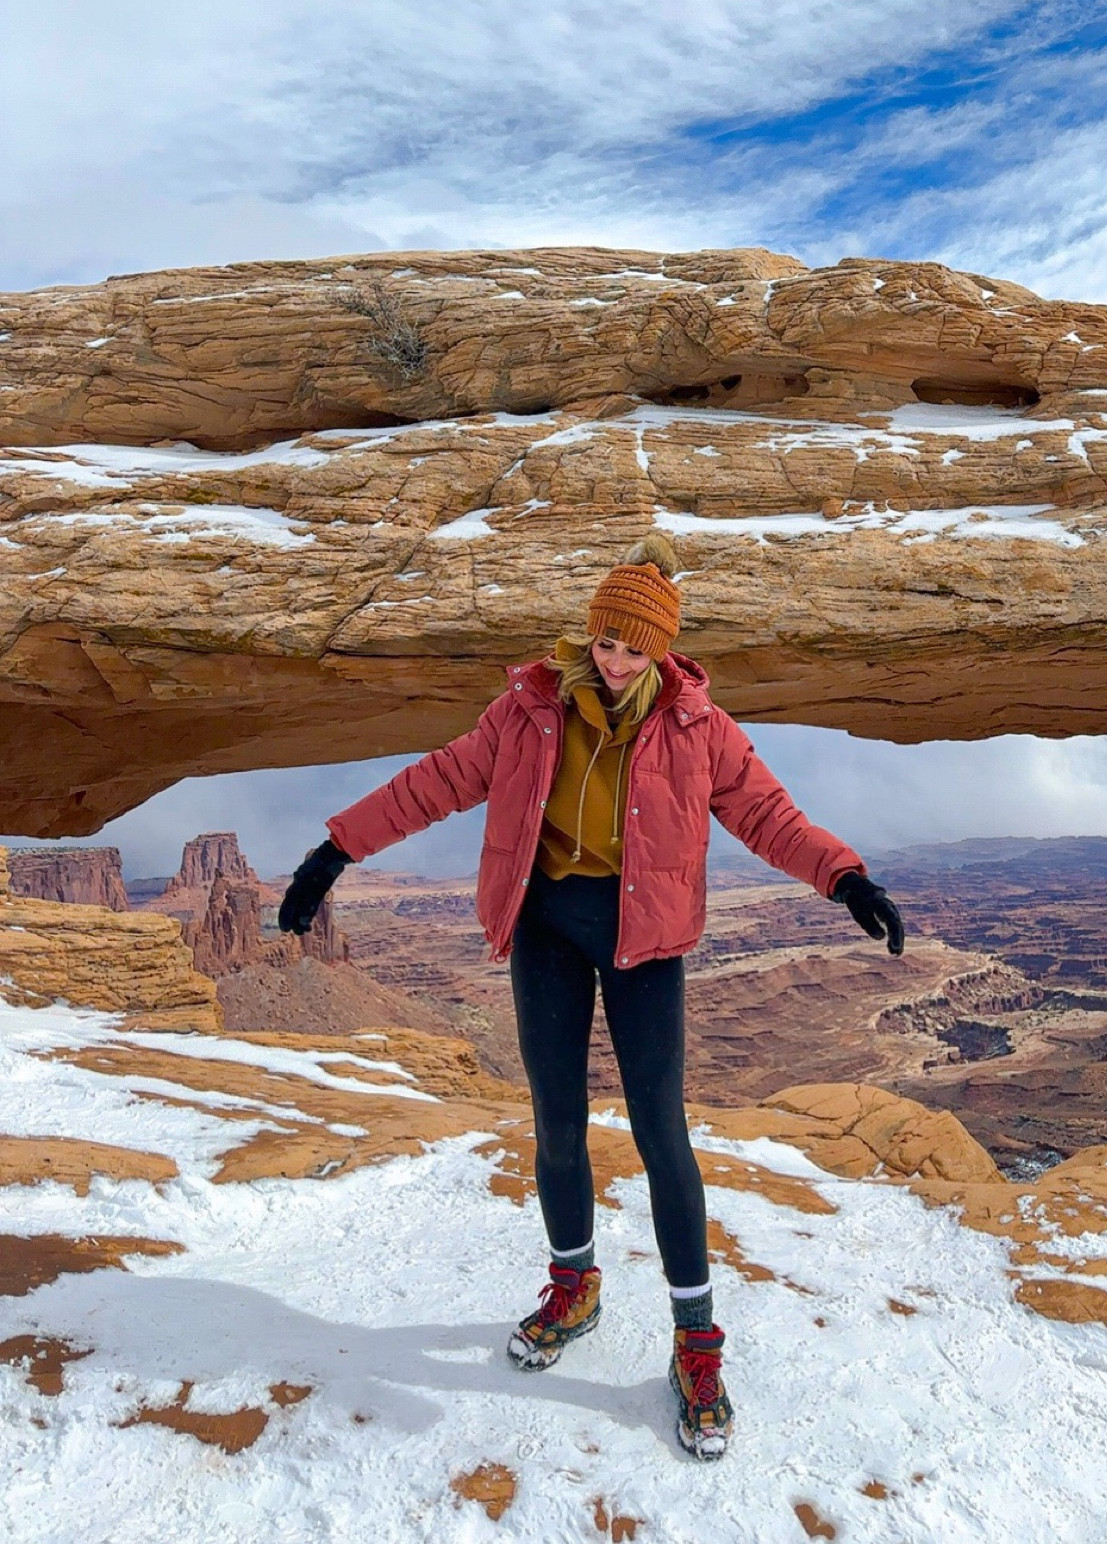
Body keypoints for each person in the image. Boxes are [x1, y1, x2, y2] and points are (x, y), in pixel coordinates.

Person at [277, 531, 904, 1461]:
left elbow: (771, 816)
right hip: (548, 931)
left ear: (660, 653)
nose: (612, 662)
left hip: (644, 939)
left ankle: (696, 1343)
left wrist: (844, 879)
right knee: (557, 1121)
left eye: (631, 648)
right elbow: (437, 781)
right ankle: (575, 1286)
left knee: (661, 1131)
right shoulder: (528, 710)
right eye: (603, 642)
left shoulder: (700, 728)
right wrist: (336, 851)